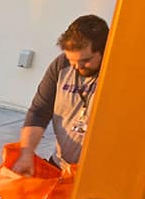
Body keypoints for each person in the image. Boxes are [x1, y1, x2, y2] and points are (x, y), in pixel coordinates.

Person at [12, 14, 108, 175]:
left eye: (85, 60)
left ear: (104, 50)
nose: (78, 66)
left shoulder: (118, 73)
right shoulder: (60, 65)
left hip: (97, 175)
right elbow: (39, 112)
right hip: (61, 167)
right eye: (72, 60)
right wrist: (27, 153)